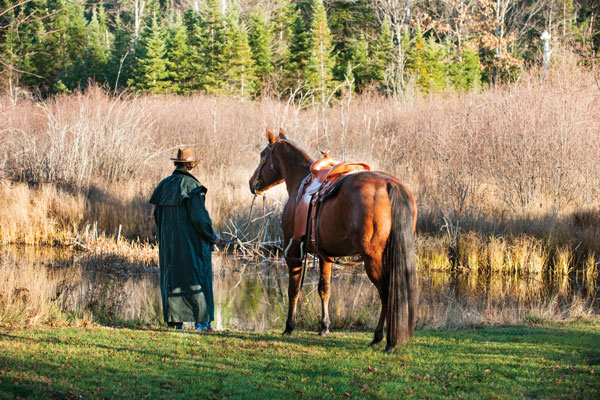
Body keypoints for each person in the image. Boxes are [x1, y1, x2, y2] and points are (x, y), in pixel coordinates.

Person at [149, 148, 222, 331]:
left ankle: (175, 323)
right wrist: (213, 236)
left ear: (178, 163)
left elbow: (157, 217)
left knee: (172, 279)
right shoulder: (192, 187)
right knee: (198, 279)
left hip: (169, 247)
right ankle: (202, 324)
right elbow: (200, 219)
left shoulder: (164, 185)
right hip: (192, 246)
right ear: (192, 165)